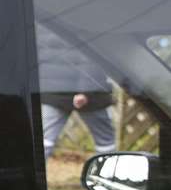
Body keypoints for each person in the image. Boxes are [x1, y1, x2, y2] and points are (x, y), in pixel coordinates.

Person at [36, 22, 116, 157]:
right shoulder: (81, 17)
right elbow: (91, 55)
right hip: (88, 94)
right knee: (106, 143)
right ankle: (110, 174)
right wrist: (85, 90)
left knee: (44, 142)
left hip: (53, 91)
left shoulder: (41, 18)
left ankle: (32, 176)